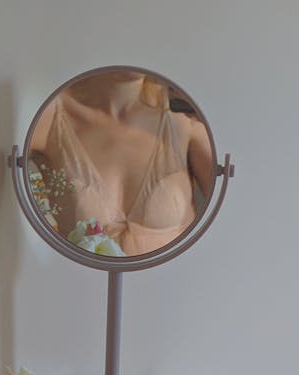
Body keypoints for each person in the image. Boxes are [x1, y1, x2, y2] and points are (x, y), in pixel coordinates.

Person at [29, 69, 213, 256]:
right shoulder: (49, 113)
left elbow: (236, 213)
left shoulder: (186, 115)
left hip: (183, 281)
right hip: (77, 283)